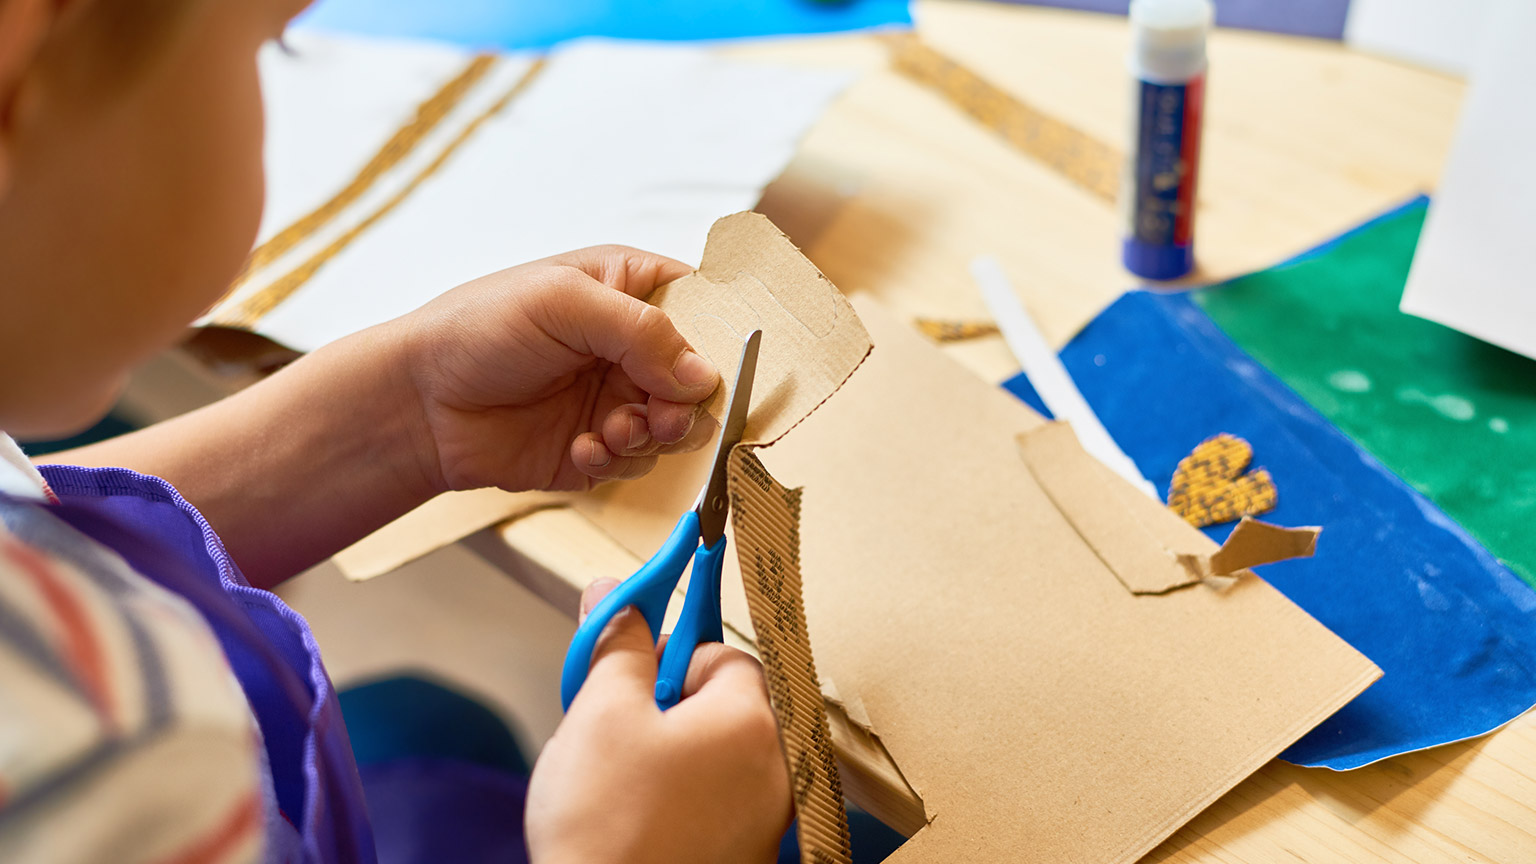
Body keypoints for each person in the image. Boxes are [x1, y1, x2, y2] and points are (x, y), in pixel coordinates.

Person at [0, 0, 792, 861]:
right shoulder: (117, 754)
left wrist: (406, 416)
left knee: (419, 721)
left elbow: (26, 525)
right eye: (272, 48)